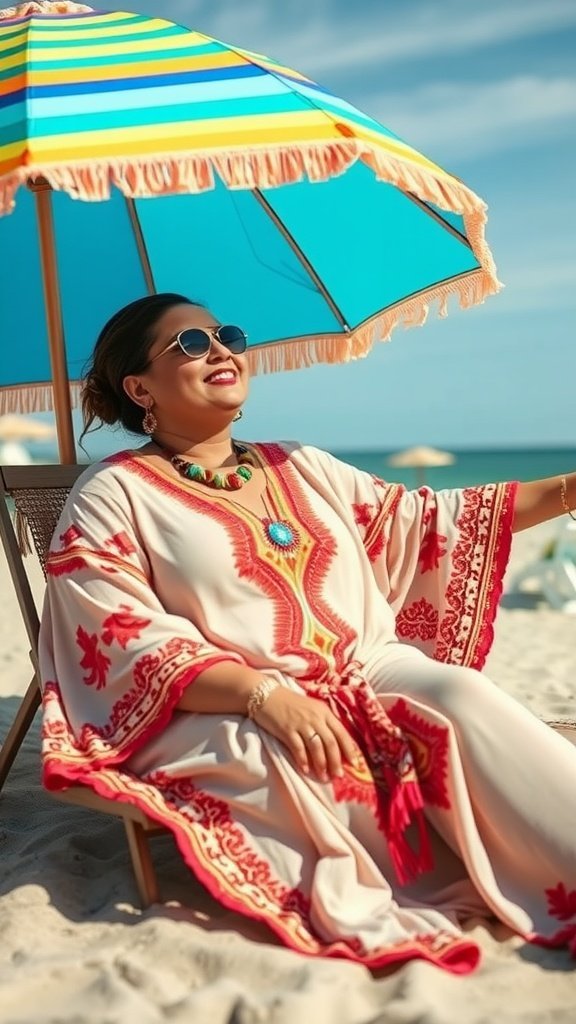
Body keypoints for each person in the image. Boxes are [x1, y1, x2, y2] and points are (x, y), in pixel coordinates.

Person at [39, 293, 576, 975]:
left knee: (460, 693)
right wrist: (262, 694)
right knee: (277, 750)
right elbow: (114, 628)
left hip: (365, 665)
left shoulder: (301, 464)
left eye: (228, 334)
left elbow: (426, 521)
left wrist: (570, 489)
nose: (223, 350)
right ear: (139, 386)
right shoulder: (114, 492)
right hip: (225, 696)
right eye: (192, 344)